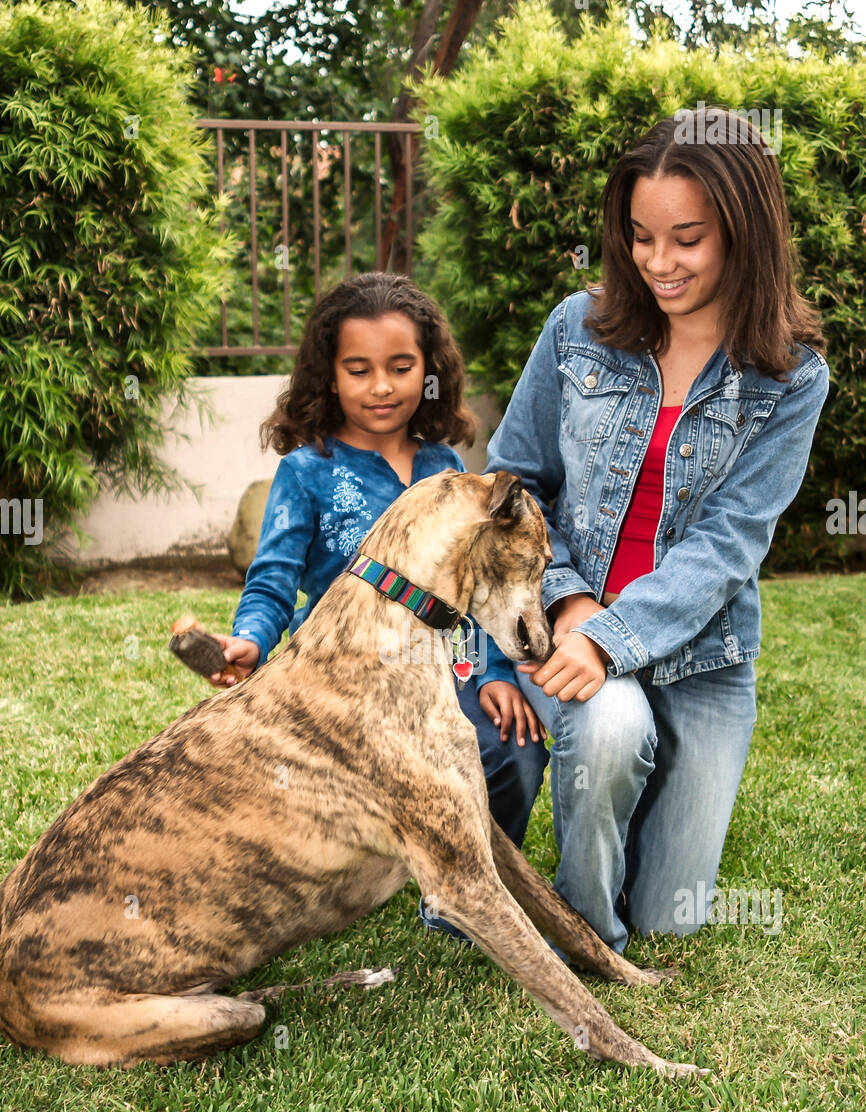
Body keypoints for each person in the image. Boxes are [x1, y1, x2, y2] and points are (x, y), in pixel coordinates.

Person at [484, 106, 831, 955]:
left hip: (703, 658)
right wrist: (567, 605)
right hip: (563, 630)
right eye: (641, 237)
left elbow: (728, 542)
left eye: (688, 239)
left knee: (672, 910)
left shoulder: (790, 377)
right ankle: (582, 935)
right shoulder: (579, 327)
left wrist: (614, 635)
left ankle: (610, 878)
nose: (659, 263)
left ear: (744, 234)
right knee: (608, 732)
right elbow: (513, 484)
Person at [203, 271, 557, 950]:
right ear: (327, 375)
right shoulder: (306, 471)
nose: (381, 386)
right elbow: (273, 578)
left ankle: (456, 890)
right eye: (357, 369)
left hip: (442, 675)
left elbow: (476, 589)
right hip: (345, 687)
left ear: (430, 370)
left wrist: (494, 678)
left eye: (401, 367)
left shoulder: (445, 467)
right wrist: (250, 640)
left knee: (510, 750)